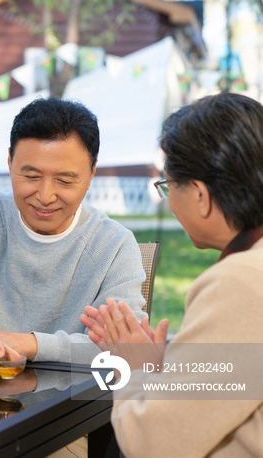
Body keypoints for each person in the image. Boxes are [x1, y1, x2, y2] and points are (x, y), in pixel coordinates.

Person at [0, 97, 147, 382]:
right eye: (31, 175)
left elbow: (124, 347)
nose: (45, 196)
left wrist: (25, 343)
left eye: (65, 181)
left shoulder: (113, 245)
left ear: (92, 173)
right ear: (10, 163)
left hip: (70, 410)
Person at [81, 92, 263, 457]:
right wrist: (171, 366)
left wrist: (134, 367)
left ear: (199, 194)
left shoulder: (242, 281)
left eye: (167, 186)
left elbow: (152, 444)